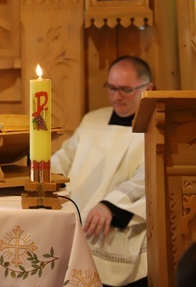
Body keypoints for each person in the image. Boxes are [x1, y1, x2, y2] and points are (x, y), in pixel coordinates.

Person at [51, 56, 153, 287]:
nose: (116, 96)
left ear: (147, 88)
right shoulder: (93, 120)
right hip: (75, 219)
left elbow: (148, 177)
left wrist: (111, 205)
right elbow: (64, 158)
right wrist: (37, 175)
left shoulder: (155, 127)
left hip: (116, 224)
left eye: (126, 90)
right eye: (112, 88)